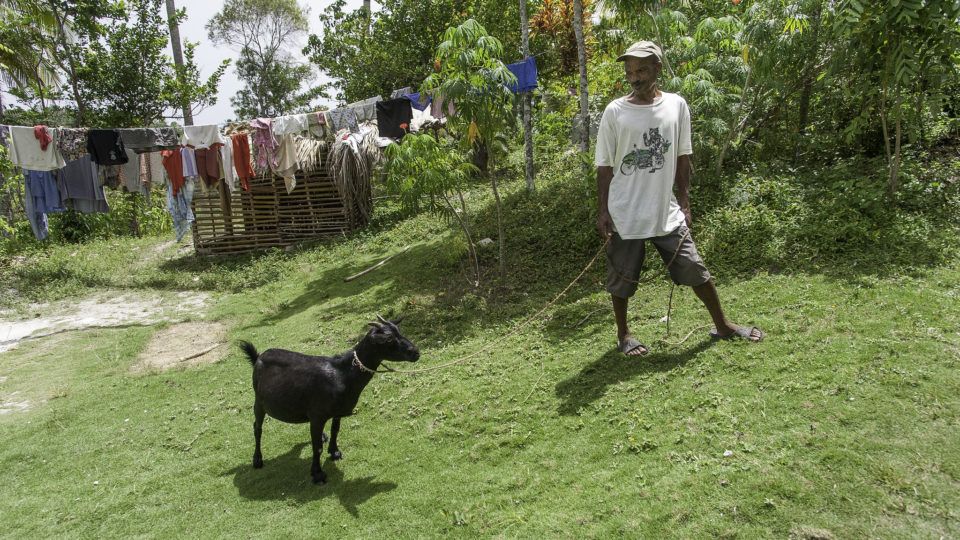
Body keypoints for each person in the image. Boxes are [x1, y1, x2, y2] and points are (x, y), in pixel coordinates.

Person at [594, 41, 764, 356]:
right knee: (622, 278)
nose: (635, 77)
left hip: (665, 211)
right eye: (630, 71)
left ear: (658, 68)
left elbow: (683, 158)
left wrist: (684, 203)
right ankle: (624, 336)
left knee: (694, 268)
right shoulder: (615, 111)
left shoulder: (676, 105)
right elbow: (604, 167)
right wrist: (602, 211)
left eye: (642, 70)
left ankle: (723, 325)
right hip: (625, 212)